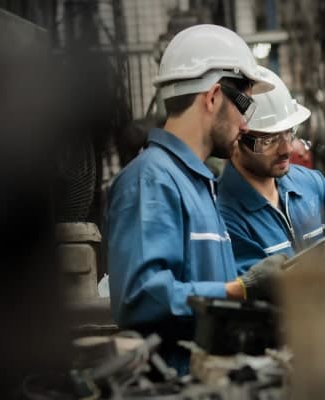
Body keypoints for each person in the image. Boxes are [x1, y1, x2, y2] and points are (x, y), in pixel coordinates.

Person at [104, 25, 286, 372]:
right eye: (244, 107)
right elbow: (141, 296)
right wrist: (240, 290)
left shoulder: (201, 182)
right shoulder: (151, 181)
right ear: (214, 96)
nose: (246, 126)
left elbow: (207, 283)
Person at [218, 66, 325, 273]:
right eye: (269, 140)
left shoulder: (308, 184)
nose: (287, 149)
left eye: (289, 133)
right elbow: (257, 290)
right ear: (235, 140)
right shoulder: (223, 216)